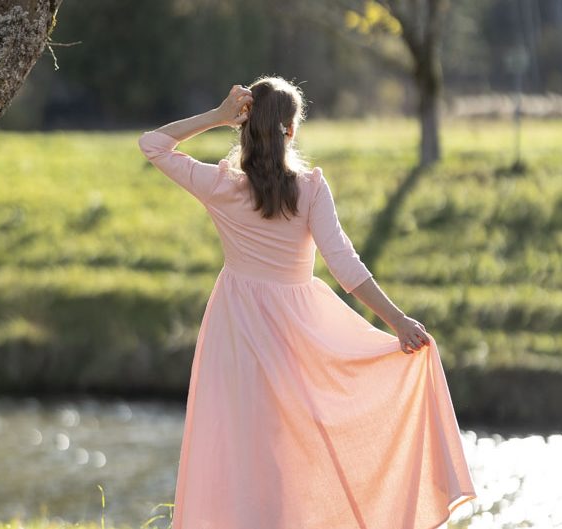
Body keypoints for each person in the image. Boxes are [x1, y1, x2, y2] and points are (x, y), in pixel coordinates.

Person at [138, 75, 477, 529]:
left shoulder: (221, 185)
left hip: (235, 329)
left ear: (244, 126)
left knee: (242, 450)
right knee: (295, 445)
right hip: (296, 331)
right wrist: (397, 321)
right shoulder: (310, 189)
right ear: (291, 130)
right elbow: (345, 265)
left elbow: (153, 145)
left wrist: (217, 116)